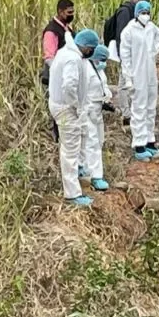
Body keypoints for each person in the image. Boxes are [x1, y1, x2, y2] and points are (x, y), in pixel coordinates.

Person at [48, 29, 100, 206]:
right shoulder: (72, 58)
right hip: (66, 109)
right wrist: (76, 106)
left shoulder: (64, 52)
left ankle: (77, 179)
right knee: (69, 151)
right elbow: (69, 86)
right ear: (85, 47)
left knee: (71, 146)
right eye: (91, 49)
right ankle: (72, 194)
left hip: (61, 106)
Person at [119, 0, 159, 161]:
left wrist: (153, 50)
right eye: (143, 12)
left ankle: (149, 140)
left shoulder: (151, 28)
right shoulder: (129, 31)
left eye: (148, 12)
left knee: (150, 107)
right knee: (139, 109)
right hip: (136, 75)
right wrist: (128, 78)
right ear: (137, 13)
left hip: (150, 73)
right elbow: (125, 57)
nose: (146, 15)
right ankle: (139, 144)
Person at [107, 0, 152, 126]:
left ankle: (132, 110)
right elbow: (122, 35)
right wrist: (124, 57)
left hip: (136, 55)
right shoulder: (126, 12)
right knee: (123, 84)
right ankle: (126, 113)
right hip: (127, 55)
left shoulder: (135, 13)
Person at [79, 44, 114, 192]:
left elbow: (102, 86)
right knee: (91, 142)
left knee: (98, 141)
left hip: (97, 109)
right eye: (101, 60)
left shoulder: (99, 70)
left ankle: (91, 170)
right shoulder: (86, 68)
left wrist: (107, 98)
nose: (103, 63)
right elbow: (82, 91)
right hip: (88, 110)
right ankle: (94, 176)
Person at [40, 0, 76, 143]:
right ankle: (58, 138)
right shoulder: (51, 31)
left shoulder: (66, 27)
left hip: (66, 75)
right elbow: (49, 57)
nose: (72, 14)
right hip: (56, 77)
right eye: (69, 12)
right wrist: (60, 73)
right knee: (59, 108)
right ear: (60, 12)